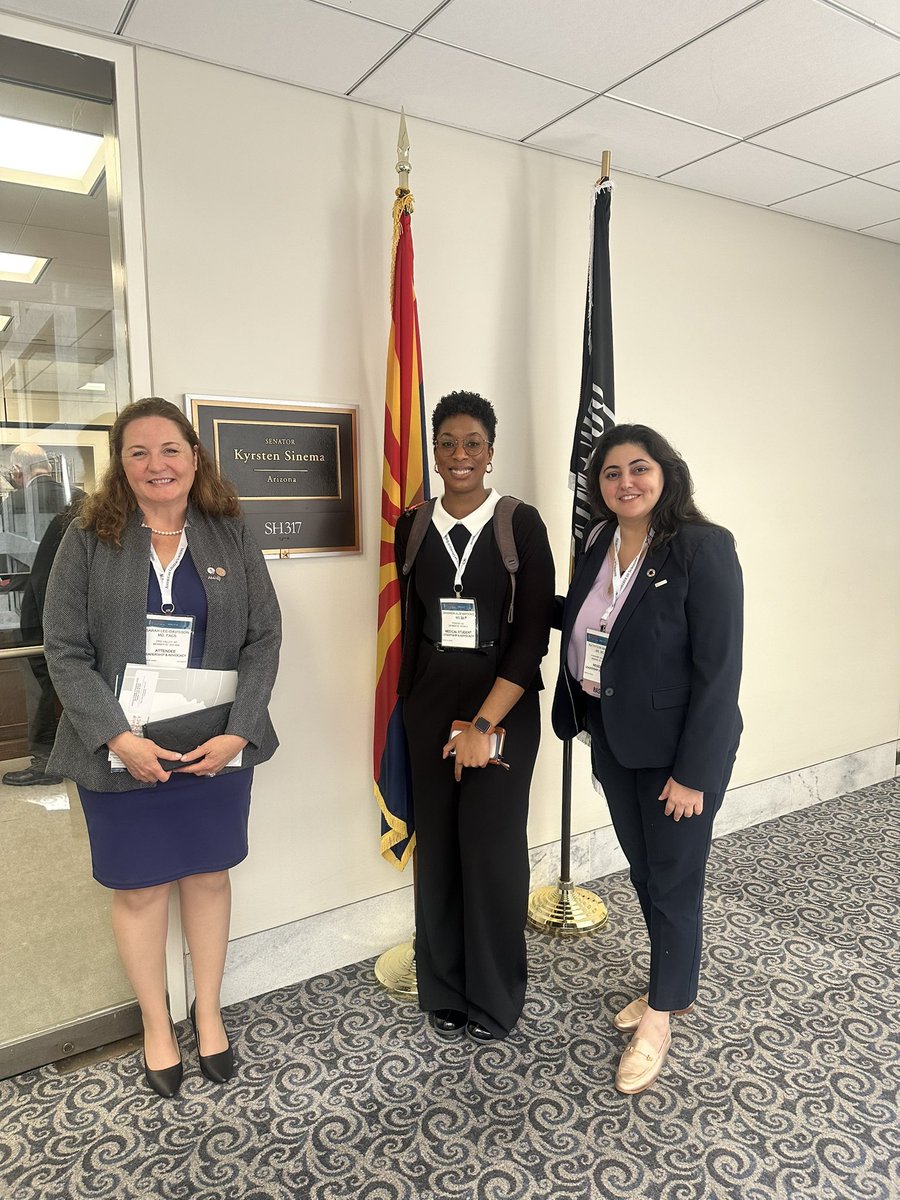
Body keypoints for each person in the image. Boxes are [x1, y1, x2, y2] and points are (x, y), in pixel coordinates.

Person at [43, 398, 281, 1098]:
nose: (157, 465)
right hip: (121, 754)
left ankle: (208, 1014)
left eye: (170, 449)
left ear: (194, 457)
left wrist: (239, 727)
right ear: (121, 465)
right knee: (143, 890)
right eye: (139, 452)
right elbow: (64, 649)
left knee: (208, 877)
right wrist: (118, 737)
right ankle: (156, 1025)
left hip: (214, 749)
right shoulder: (88, 538)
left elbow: (263, 635)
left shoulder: (230, 534)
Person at [552, 424, 743, 1094]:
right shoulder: (600, 540)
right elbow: (588, 620)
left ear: (665, 473)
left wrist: (695, 773)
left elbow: (720, 672)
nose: (624, 482)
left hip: (676, 757)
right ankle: (675, 984)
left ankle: (660, 1017)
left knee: (675, 880)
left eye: (638, 468)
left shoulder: (701, 546)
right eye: (610, 474)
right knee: (646, 872)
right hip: (612, 738)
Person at [395, 390, 554, 1043]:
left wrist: (483, 726)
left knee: (489, 852)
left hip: (503, 701)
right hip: (429, 701)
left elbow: (532, 637)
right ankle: (446, 987)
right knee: (437, 852)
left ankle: (493, 996)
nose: (460, 456)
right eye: (447, 443)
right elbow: (408, 625)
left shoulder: (522, 524)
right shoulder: (412, 524)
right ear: (434, 451)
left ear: (491, 452)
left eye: (473, 444)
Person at [1, 444, 85, 787]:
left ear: (18, 473)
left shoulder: (12, 504)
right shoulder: (80, 498)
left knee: (42, 684)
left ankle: (46, 759)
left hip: (37, 610)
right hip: (81, 606)